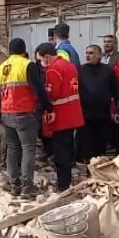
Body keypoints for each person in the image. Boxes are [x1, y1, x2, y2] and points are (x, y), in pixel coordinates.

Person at [0, 39, 53, 198]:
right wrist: (49, 108)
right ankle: (27, 187)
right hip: (24, 113)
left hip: (6, 113)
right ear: (24, 50)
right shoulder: (27, 65)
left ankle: (15, 185)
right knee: (28, 148)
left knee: (13, 149)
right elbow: (39, 90)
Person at [36, 43, 83, 192]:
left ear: (48, 57)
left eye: (41, 60)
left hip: (61, 114)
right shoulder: (69, 66)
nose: (42, 64)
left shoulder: (53, 69)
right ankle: (68, 177)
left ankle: (63, 183)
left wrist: (42, 92)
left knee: (60, 150)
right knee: (68, 146)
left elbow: (53, 93)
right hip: (73, 112)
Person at [78, 45, 119, 164]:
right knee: (86, 141)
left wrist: (117, 110)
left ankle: (100, 163)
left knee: (101, 141)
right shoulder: (80, 70)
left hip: (102, 113)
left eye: (91, 53)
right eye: (86, 53)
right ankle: (86, 163)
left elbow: (115, 90)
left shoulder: (107, 70)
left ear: (99, 55)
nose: (88, 55)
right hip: (85, 113)